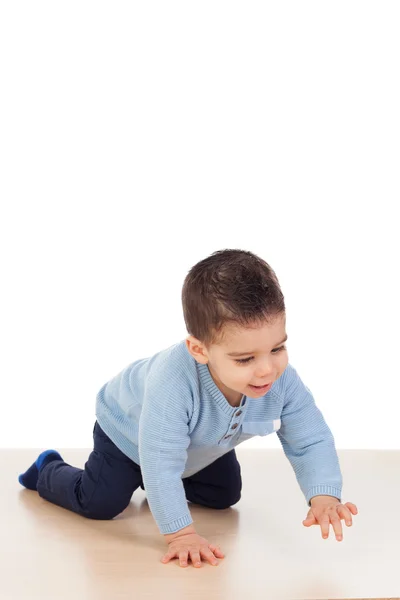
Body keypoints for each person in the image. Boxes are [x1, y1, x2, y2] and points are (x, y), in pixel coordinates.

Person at [18, 248, 358, 569]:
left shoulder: (280, 381)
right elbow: (161, 461)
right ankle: (47, 470)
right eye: (245, 359)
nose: (267, 369)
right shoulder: (172, 384)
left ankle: (161, 492)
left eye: (277, 348)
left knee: (223, 495)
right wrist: (181, 534)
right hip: (127, 434)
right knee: (101, 503)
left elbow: (310, 438)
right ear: (199, 349)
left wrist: (323, 495)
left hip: (199, 442)